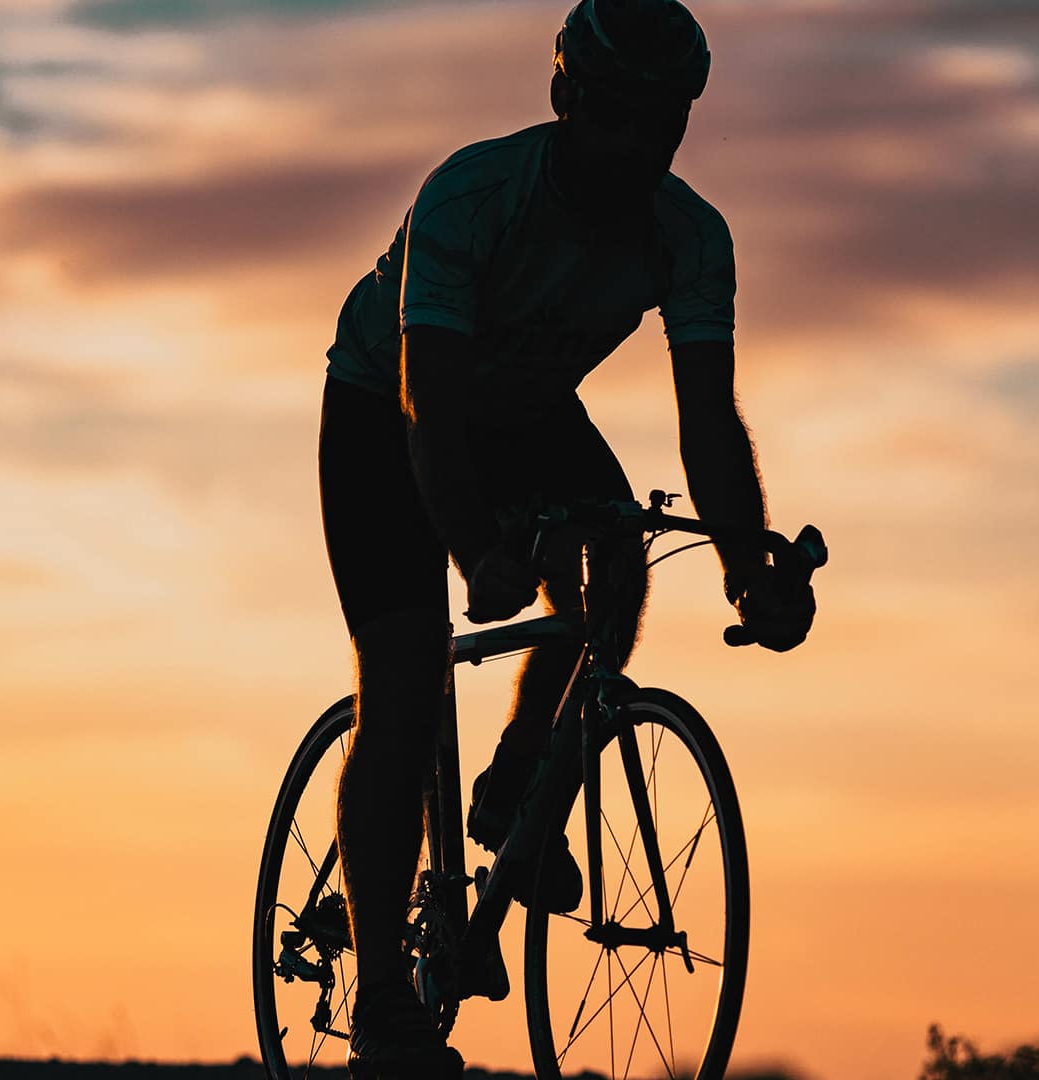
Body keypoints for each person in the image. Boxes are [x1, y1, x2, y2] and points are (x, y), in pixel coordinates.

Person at [316, 1, 814, 1075]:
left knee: (620, 557)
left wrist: (746, 571)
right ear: (566, 100)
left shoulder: (689, 237)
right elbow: (429, 413)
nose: (640, 146)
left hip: (525, 409)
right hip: (389, 407)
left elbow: (708, 424)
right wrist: (474, 552)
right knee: (403, 684)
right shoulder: (474, 196)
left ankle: (519, 780)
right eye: (620, 118)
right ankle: (384, 1005)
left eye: (666, 122)